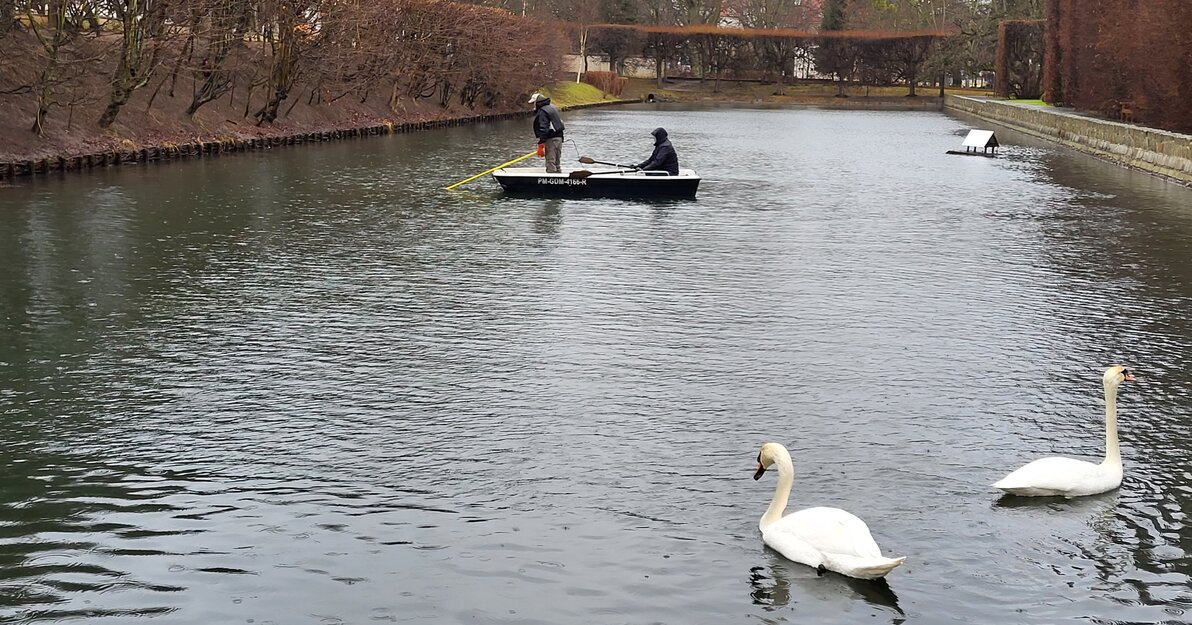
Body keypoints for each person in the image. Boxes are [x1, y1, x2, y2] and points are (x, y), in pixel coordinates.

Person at [529, 92, 564, 173]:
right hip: (559, 138)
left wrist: (541, 144)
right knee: (556, 162)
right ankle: (559, 178)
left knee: (550, 162)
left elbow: (544, 128)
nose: (533, 105)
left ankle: (551, 179)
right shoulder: (552, 107)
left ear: (536, 103)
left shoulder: (542, 111)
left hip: (551, 139)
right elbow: (559, 123)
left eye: (533, 103)